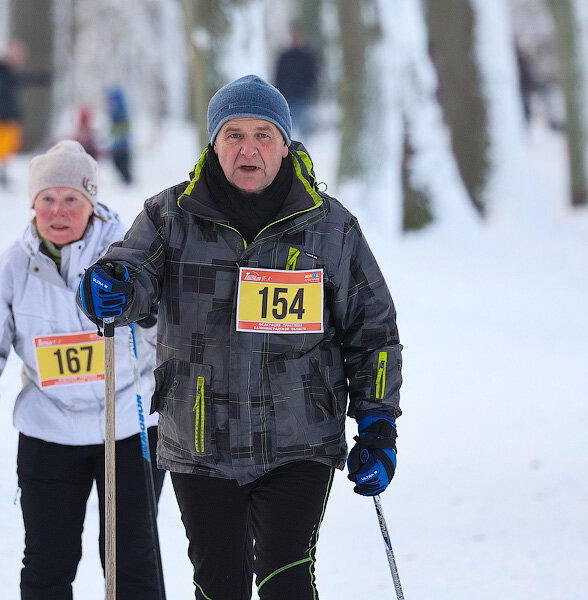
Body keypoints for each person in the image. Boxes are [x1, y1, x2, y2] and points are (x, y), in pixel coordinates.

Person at [77, 75, 402, 599]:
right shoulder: (170, 215)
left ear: (285, 143)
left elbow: (373, 332)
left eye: (263, 134)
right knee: (219, 582)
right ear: (213, 143)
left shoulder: (330, 227)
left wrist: (378, 421)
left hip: (300, 438)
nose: (248, 148)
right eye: (233, 135)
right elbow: (131, 272)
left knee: (285, 576)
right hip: (200, 436)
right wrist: (108, 286)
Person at [0, 140, 166, 600]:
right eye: (47, 199)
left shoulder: (128, 252)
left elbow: (172, 323)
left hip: (128, 427)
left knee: (132, 564)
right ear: (33, 205)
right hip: (49, 431)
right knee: (47, 565)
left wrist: (146, 314)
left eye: (72, 199)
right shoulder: (12, 267)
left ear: (92, 203)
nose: (58, 210)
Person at [0, 39, 50, 187]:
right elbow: (17, 80)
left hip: (9, 117)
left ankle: (2, 173)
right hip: (2, 117)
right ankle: (1, 174)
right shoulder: (1, 70)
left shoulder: (6, 72)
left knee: (8, 146)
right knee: (2, 147)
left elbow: (20, 81)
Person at [275, 26, 318, 140]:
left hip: (303, 98)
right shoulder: (284, 57)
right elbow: (278, 77)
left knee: (304, 131)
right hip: (287, 99)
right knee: (288, 129)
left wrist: (309, 91)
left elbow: (313, 76)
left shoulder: (308, 56)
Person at [106, 86, 133, 184]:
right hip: (117, 145)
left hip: (122, 146)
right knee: (118, 163)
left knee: (122, 164)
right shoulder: (114, 113)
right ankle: (126, 182)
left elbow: (123, 129)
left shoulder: (121, 113)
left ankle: (128, 182)